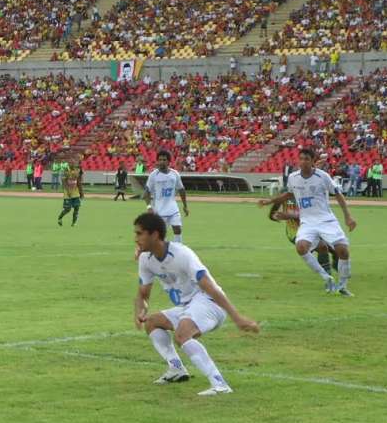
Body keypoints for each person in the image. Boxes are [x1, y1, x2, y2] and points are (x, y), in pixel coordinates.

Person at [134, 213, 259, 395]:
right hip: (187, 306)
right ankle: (176, 369)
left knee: (182, 334)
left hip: (209, 302)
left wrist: (237, 318)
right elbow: (143, 294)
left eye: (139, 234)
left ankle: (220, 384)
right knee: (152, 322)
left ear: (154, 235)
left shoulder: (182, 254)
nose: (136, 238)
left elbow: (210, 287)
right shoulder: (146, 259)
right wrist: (141, 311)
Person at [258, 148, 357, 296]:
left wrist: (348, 217)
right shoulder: (293, 177)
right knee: (301, 247)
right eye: (301, 158)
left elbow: (338, 194)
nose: (303, 162)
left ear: (312, 161)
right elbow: (289, 194)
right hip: (308, 222)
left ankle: (342, 285)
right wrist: (269, 201)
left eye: (306, 159)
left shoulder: (323, 176)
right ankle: (326, 277)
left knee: (342, 250)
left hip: (326, 220)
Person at [268, 197, 338, 275]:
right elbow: (277, 202)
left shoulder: (309, 195)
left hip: (314, 227)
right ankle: (327, 275)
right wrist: (272, 214)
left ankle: (335, 265)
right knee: (322, 247)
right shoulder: (286, 194)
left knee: (335, 247)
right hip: (295, 232)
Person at [144, 150, 188, 243]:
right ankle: (162, 251)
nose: (161, 162)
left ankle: (178, 249)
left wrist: (185, 206)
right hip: (159, 210)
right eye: (160, 160)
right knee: (161, 235)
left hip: (173, 208)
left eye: (164, 160)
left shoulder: (174, 174)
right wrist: (149, 207)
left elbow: (181, 189)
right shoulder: (153, 175)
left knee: (177, 229)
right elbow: (146, 192)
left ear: (169, 161)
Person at [57, 155, 84, 226]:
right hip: (68, 192)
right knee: (67, 209)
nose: (72, 164)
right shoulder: (66, 170)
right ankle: (60, 218)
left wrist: (81, 192)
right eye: (70, 163)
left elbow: (78, 182)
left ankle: (74, 223)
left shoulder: (77, 171)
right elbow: (64, 181)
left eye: (73, 163)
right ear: (68, 164)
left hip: (75, 192)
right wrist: (67, 190)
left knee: (77, 207)